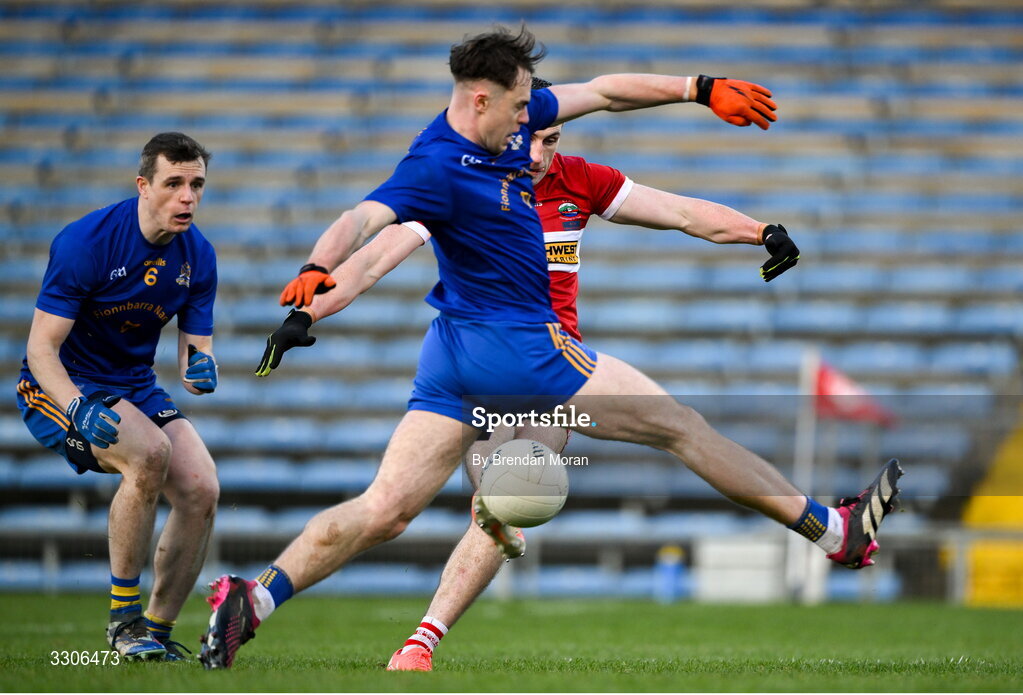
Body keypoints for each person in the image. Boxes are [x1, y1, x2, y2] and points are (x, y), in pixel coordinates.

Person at [199, 26, 901, 670]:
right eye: (518, 107)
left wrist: (698, 88)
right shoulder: (437, 168)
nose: (531, 119)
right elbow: (364, 223)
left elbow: (602, 93)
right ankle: (832, 531)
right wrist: (317, 276)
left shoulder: (525, 133)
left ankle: (254, 599)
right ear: (482, 100)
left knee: (385, 507)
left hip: (451, 355)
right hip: (522, 352)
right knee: (679, 426)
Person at [16, 132, 220, 662]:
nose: (187, 197)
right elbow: (41, 350)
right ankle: (122, 621)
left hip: (134, 385)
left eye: (196, 184)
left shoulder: (198, 256)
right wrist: (76, 407)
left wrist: (201, 368)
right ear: (142, 186)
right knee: (149, 454)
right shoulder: (86, 242)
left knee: (202, 488)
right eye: (173, 183)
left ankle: (154, 630)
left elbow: (194, 359)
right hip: (61, 385)